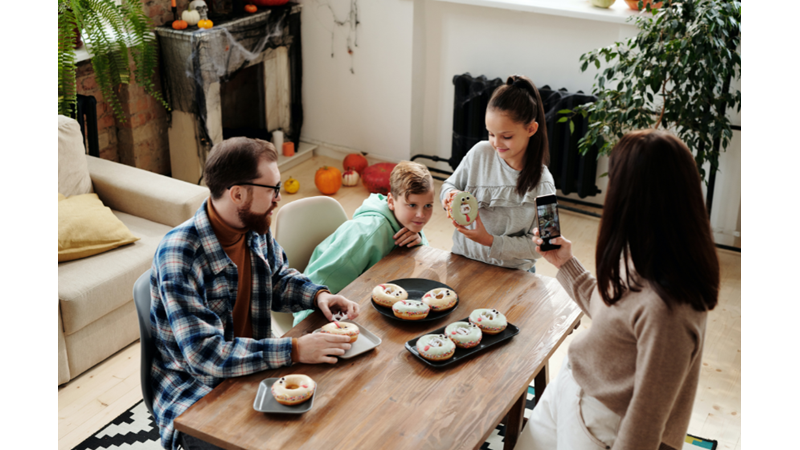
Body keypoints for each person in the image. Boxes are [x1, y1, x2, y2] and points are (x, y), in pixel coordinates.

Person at [148, 137, 361, 450]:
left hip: (255, 370)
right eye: (271, 189)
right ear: (237, 194)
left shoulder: (253, 227)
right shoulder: (180, 254)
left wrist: (318, 297)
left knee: (341, 408)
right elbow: (205, 355)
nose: (278, 198)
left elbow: (277, 280)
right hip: (197, 393)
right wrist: (296, 350)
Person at [517, 130, 720, 450]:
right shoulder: (644, 253)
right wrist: (565, 264)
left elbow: (647, 417)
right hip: (571, 385)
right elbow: (612, 313)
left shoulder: (669, 308)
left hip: (601, 422)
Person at [293, 161, 435, 326]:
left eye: (428, 206)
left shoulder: (409, 223)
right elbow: (320, 277)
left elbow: (423, 264)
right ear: (391, 201)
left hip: (371, 302)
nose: (421, 214)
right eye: (412, 205)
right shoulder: (366, 232)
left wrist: (420, 241)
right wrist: (304, 326)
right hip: (326, 314)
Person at [441, 74, 556, 272]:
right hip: (463, 260)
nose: (496, 143)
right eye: (491, 134)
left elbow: (547, 242)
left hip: (512, 273)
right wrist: (450, 196)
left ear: (531, 128)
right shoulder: (480, 152)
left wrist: (490, 241)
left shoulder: (544, 183)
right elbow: (448, 185)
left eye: (507, 136)